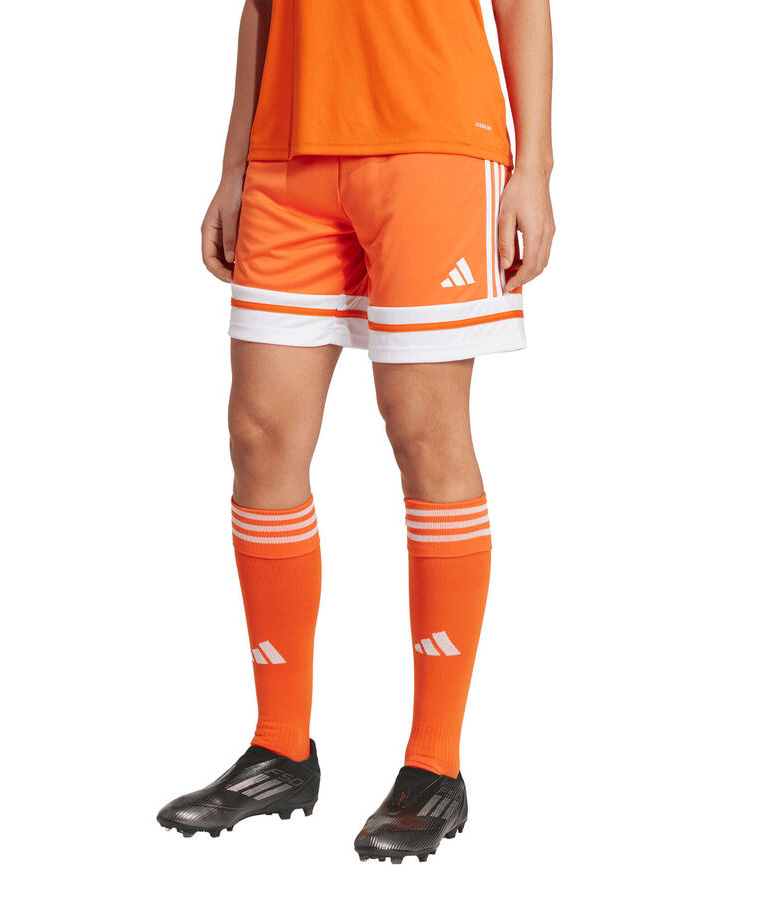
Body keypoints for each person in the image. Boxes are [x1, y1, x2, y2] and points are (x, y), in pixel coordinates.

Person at [158, 0, 554, 863]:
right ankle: (280, 749)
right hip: (286, 155)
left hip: (435, 144)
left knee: (423, 432)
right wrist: (233, 166)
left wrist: (534, 169)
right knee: (260, 437)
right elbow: (262, 9)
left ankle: (434, 766)